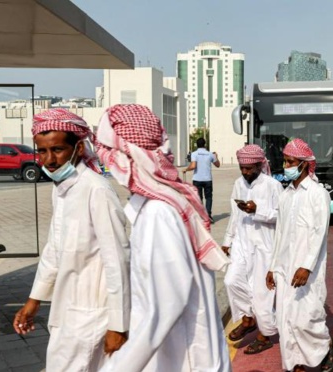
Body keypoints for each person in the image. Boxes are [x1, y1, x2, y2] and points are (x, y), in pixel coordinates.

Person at [95, 104, 231, 372]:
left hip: (185, 360)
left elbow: (165, 308)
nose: (105, 160)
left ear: (126, 156)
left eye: (108, 153)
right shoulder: (163, 204)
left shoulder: (159, 213)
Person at [13, 109, 130, 371]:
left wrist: (118, 324)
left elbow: (118, 259)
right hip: (66, 309)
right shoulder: (62, 190)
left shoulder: (96, 189)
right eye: (42, 151)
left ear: (78, 148)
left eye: (57, 150)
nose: (49, 160)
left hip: (92, 312)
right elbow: (54, 248)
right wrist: (34, 300)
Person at [266, 138, 333, 372]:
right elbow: (280, 235)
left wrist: (306, 266)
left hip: (309, 270)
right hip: (285, 268)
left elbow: (319, 234)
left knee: (306, 319)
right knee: (285, 319)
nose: (286, 165)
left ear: (305, 164)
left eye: (291, 161)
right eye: (285, 160)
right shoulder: (286, 196)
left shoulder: (318, 194)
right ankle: (295, 363)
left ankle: (324, 348)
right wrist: (272, 267)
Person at [222, 144, 283, 354]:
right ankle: (248, 319)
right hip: (242, 241)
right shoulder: (239, 183)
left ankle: (265, 335)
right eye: (242, 168)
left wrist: (259, 210)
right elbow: (235, 214)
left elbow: (282, 216)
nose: (245, 172)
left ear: (259, 165)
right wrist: (227, 240)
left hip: (265, 245)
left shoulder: (273, 185)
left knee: (262, 293)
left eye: (249, 168)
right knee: (231, 281)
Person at [183, 138, 220, 223]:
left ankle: (201, 216)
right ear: (205, 144)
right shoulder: (210, 154)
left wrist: (186, 169)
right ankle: (208, 216)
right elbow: (217, 165)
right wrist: (216, 157)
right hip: (207, 179)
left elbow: (193, 166)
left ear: (196, 144)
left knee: (198, 198)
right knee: (209, 197)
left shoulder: (194, 154)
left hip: (197, 179)